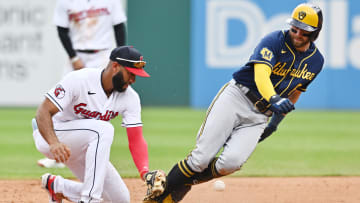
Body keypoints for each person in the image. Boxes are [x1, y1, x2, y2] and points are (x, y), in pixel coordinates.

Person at [143, 3, 324, 203]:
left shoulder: (316, 61)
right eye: (294, 28)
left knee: (230, 164)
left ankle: (178, 181)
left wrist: (274, 124)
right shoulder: (274, 40)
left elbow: (294, 93)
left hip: (260, 116)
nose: (297, 33)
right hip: (236, 97)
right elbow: (261, 75)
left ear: (315, 33)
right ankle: (159, 198)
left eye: (304, 31)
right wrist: (274, 99)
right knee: (201, 159)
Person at [32, 46, 150, 203]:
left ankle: (58, 186)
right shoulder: (80, 79)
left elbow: (136, 140)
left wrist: (145, 172)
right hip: (52, 135)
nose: (133, 80)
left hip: (84, 147)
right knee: (103, 130)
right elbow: (43, 111)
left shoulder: (130, 98)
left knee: (121, 200)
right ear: (115, 66)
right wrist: (53, 142)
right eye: (130, 73)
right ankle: (89, 199)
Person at [38, 0, 128, 169]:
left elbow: (119, 27)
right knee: (62, 104)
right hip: (77, 55)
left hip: (103, 55)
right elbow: (62, 30)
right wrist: (73, 58)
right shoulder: (66, 2)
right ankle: (56, 153)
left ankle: (96, 152)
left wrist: (119, 58)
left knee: (101, 104)